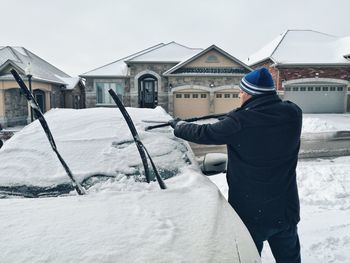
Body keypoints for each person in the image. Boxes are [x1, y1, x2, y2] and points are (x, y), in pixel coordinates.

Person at [170, 67, 302, 262]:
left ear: (249, 94)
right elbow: (263, 119)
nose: (239, 95)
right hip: (285, 209)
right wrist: (237, 115)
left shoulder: (239, 122)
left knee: (248, 258)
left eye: (241, 91)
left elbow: (204, 133)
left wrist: (179, 127)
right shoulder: (293, 113)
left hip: (251, 213)